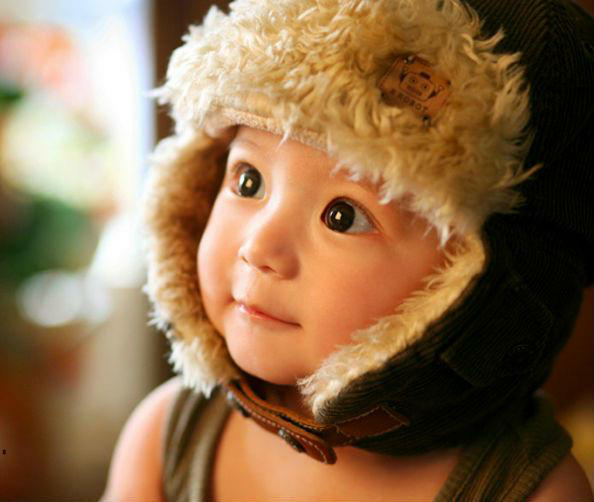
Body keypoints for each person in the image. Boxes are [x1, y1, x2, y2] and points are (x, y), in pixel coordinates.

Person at [101, 0, 594, 500]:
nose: (259, 247)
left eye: (344, 216)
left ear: (483, 296)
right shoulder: (163, 436)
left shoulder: (535, 493)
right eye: (249, 181)